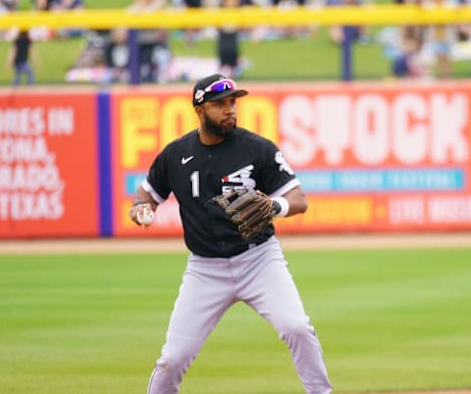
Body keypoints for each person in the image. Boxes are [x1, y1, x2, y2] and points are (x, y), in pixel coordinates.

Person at [129, 74, 333, 394]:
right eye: (219, 104)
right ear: (199, 109)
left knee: (297, 327)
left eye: (232, 102)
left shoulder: (257, 149)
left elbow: (299, 199)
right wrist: (141, 210)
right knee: (173, 357)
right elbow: (145, 197)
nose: (230, 110)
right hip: (205, 269)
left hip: (259, 260)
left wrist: (275, 207)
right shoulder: (175, 155)